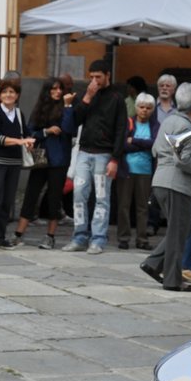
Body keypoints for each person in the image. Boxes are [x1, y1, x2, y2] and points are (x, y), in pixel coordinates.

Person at [140, 82, 191, 292]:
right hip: (176, 184)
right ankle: (173, 279)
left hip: (163, 181)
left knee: (181, 229)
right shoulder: (185, 126)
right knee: (179, 231)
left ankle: (153, 264)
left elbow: (155, 150)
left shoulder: (169, 120)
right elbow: (182, 161)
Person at [66, 58, 126, 255]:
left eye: (98, 77)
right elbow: (76, 120)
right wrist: (86, 98)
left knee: (102, 197)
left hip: (104, 155)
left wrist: (115, 158)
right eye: (91, 77)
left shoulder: (117, 98)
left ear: (107, 76)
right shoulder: (87, 95)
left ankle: (98, 238)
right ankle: (79, 236)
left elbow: (121, 130)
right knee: (78, 195)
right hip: (84, 152)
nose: (94, 81)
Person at [18, 75, 76, 248]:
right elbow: (30, 132)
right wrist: (46, 131)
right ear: (47, 91)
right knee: (31, 194)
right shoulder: (40, 109)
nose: (58, 92)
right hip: (41, 158)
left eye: (60, 89)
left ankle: (50, 236)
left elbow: (68, 129)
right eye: (54, 89)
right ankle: (18, 233)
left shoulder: (68, 107)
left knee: (54, 197)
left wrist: (67, 106)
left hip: (59, 159)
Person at [0, 77, 33, 251]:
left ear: (17, 95)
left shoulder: (19, 114)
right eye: (4, 92)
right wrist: (19, 141)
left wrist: (29, 142)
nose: (8, 95)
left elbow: (27, 133)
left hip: (14, 162)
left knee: (6, 201)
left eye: (12, 92)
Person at [115, 92, 157, 250]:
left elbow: (154, 144)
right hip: (127, 169)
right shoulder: (128, 123)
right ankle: (123, 237)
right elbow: (123, 145)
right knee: (124, 205)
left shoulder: (154, 125)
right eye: (141, 107)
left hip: (145, 170)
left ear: (152, 109)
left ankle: (142, 239)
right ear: (136, 107)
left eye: (148, 108)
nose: (144, 110)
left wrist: (135, 141)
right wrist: (143, 144)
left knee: (143, 207)